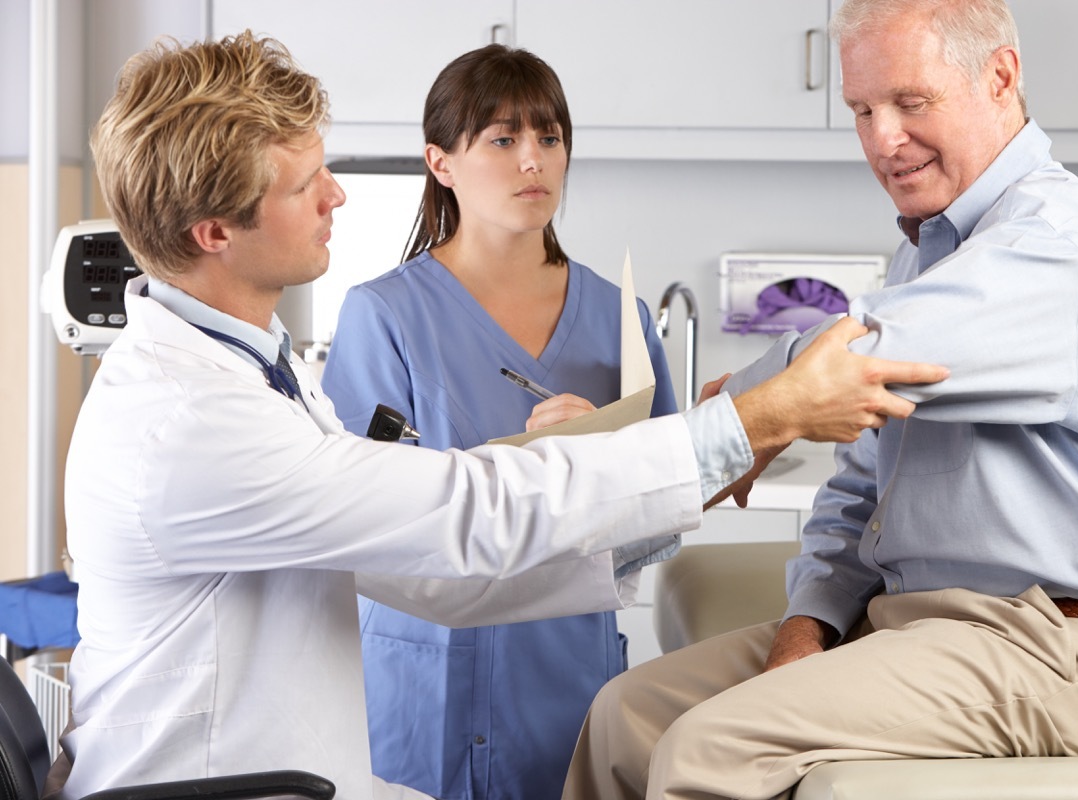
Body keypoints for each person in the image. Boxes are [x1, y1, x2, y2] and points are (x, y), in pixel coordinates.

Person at [48, 31, 947, 800]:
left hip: (308, 764)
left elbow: (439, 571)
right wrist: (755, 420)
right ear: (216, 232)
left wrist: (682, 467)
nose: (339, 197)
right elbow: (460, 513)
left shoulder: (255, 372)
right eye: (305, 183)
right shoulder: (191, 421)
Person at [562, 1, 1078, 798]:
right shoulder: (927, 257)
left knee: (708, 748)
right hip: (922, 624)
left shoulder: (1058, 242)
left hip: (1070, 646)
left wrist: (744, 410)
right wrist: (811, 622)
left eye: (910, 102)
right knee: (628, 716)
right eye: (862, 109)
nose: (881, 139)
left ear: (1000, 77)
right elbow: (863, 487)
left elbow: (853, 356)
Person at [319, 45, 676, 800]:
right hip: (425, 675)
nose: (533, 163)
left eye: (549, 139)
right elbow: (360, 511)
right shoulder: (383, 314)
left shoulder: (620, 318)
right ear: (440, 162)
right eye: (503, 140)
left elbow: (669, 509)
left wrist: (607, 460)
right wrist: (520, 467)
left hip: (565, 669)